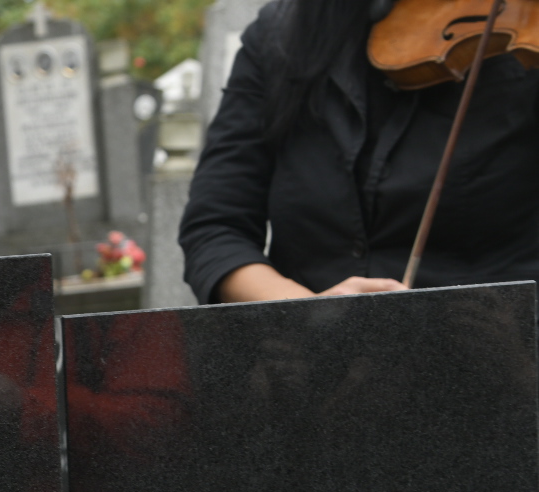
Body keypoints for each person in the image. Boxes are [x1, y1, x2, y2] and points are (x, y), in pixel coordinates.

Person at [179, 0, 539, 304]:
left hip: (501, 355)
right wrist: (309, 311)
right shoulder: (281, 37)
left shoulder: (522, 32)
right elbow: (216, 226)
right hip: (314, 362)